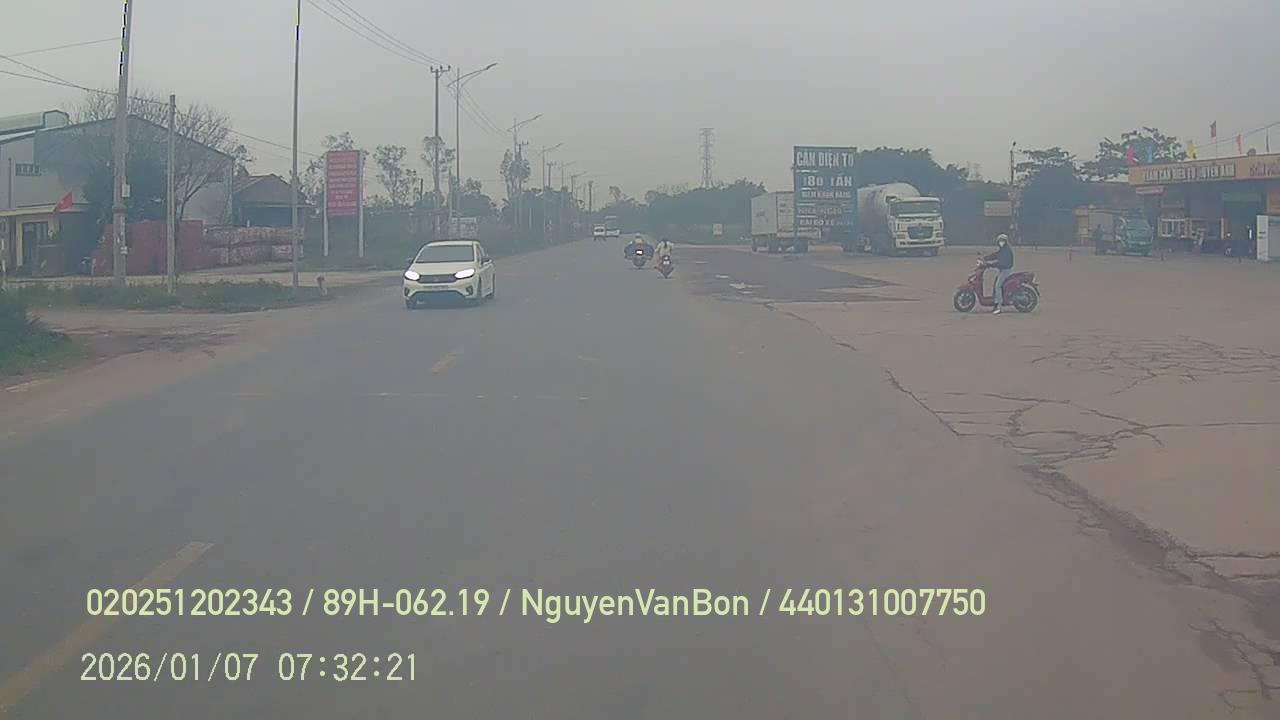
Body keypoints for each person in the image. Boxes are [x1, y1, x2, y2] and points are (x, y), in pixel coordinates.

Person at [982, 233, 1014, 314]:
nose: (1001, 242)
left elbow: (1002, 263)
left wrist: (990, 264)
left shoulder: (1006, 251)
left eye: (1002, 241)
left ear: (1005, 241)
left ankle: (999, 306)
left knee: (998, 286)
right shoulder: (1003, 250)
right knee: (996, 285)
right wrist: (986, 258)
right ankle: (995, 302)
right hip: (1003, 270)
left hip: (1006, 271)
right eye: (1000, 241)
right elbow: (996, 255)